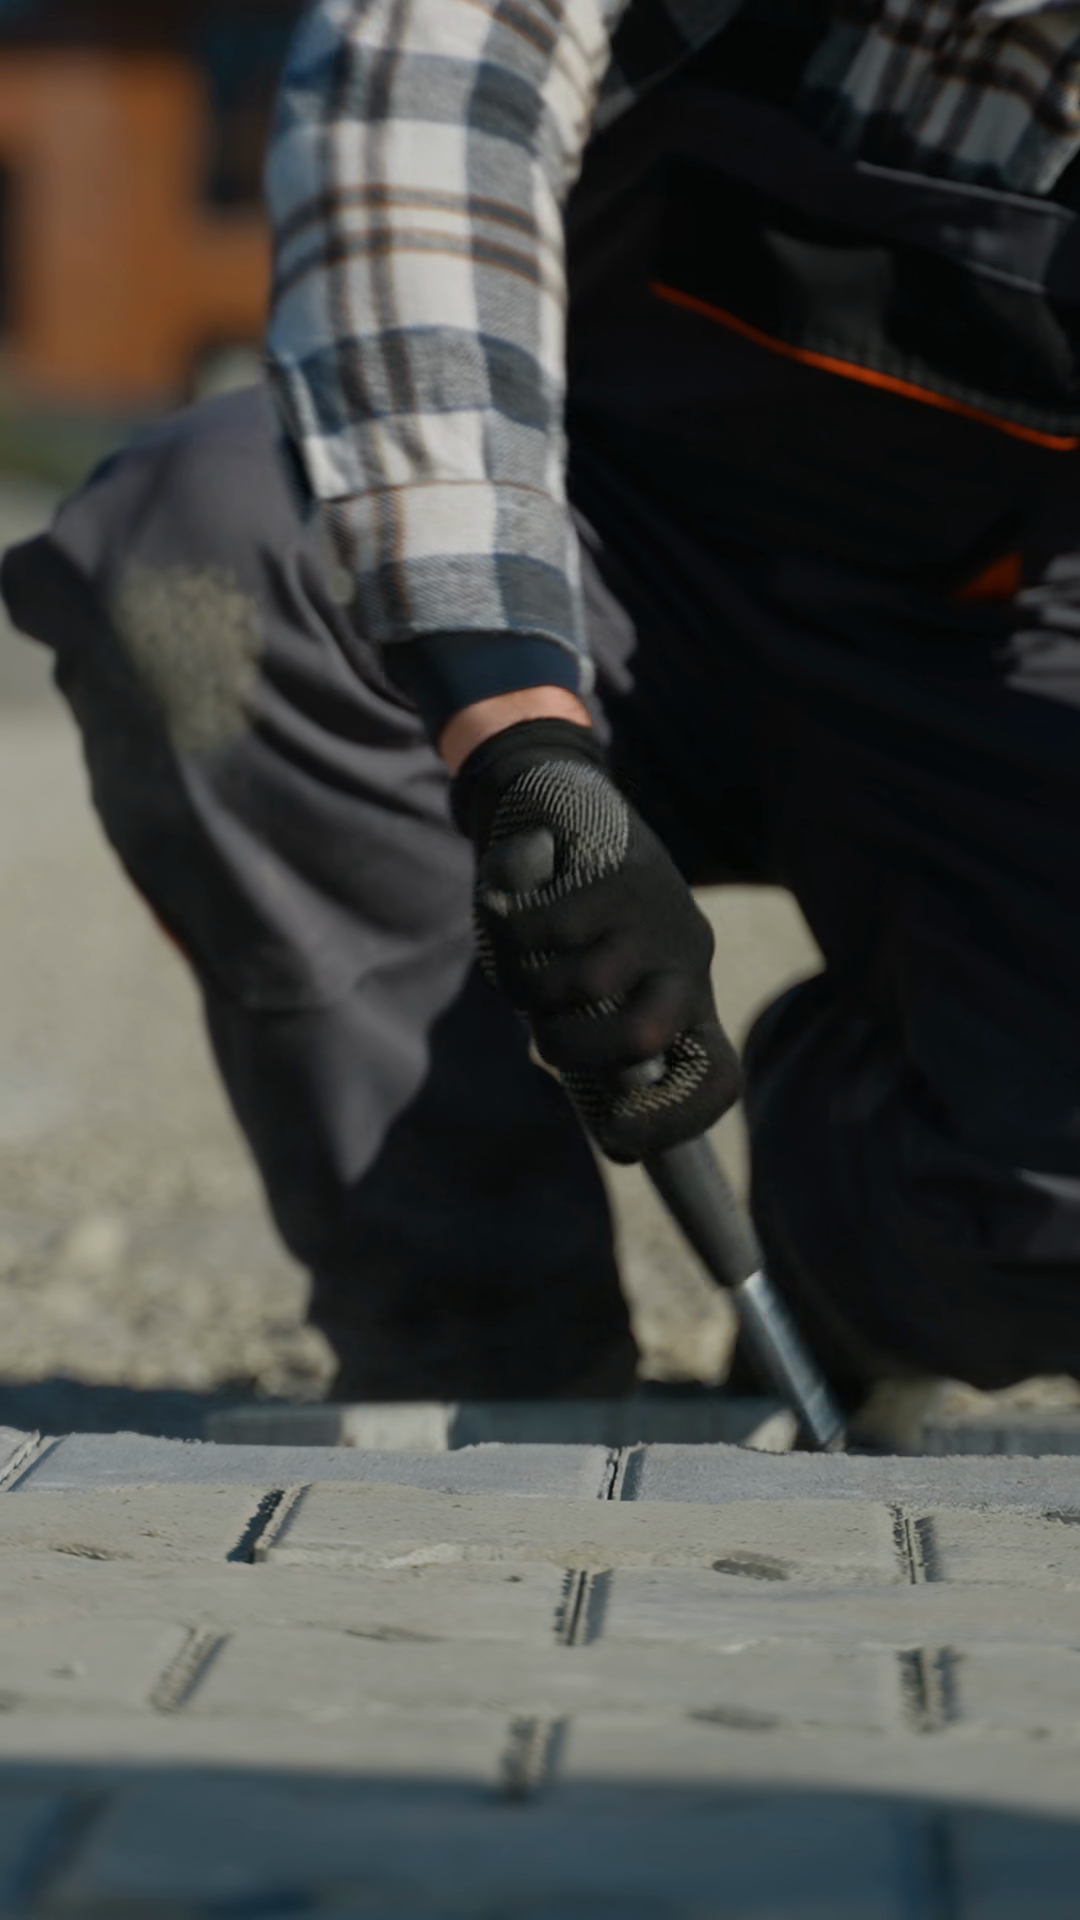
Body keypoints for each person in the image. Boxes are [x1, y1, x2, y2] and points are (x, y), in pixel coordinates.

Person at [8, 0, 1080, 1405]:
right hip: (583, 541)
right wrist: (522, 747)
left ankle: (868, 1207)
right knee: (204, 563)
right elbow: (425, 92)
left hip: (1006, 651)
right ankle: (489, 1352)